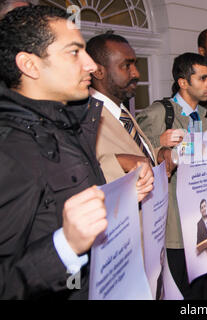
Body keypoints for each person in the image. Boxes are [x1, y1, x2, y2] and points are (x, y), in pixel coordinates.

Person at [0, 5, 108, 299]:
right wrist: (65, 247)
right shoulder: (10, 150)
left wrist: (120, 195)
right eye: (74, 52)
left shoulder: (65, 123)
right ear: (30, 65)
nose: (91, 65)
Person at [137, 52, 207, 299]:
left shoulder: (203, 118)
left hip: (199, 221)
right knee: (177, 288)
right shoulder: (160, 113)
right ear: (183, 82)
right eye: (203, 78)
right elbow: (134, 154)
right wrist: (157, 144)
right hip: (172, 226)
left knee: (201, 289)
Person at [86, 33, 156, 200]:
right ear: (98, 71)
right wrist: (118, 162)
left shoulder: (121, 111)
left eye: (135, 64)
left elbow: (134, 153)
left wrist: (158, 154)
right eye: (126, 66)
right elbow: (76, 176)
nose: (136, 73)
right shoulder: (84, 117)